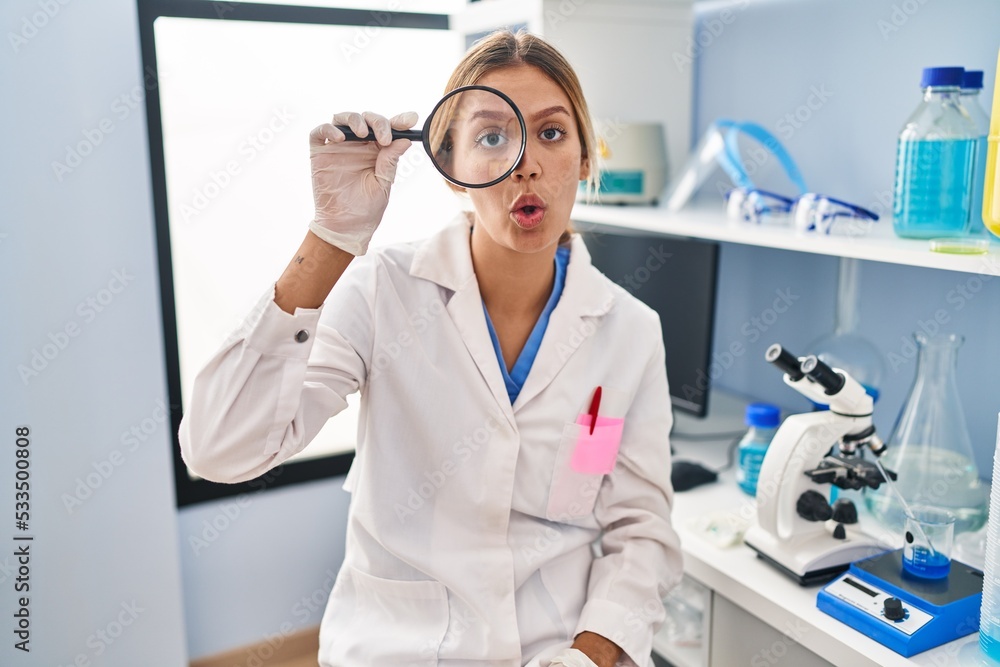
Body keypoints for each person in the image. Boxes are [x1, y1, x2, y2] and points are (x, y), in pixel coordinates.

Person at [179, 29, 682, 667]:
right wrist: (332, 235)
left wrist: (592, 653)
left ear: (585, 158)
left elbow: (641, 531)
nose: (526, 163)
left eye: (552, 134)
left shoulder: (629, 331)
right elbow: (221, 449)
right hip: (399, 649)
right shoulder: (383, 291)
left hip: (552, 650)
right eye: (492, 136)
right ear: (450, 169)